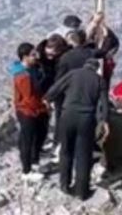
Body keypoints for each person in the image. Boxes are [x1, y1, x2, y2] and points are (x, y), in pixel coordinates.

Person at [45, 57, 109, 200]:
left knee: (66, 150)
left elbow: (55, 89)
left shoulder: (73, 74)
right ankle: (82, 191)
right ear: (96, 68)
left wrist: (47, 100)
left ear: (84, 65)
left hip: (67, 116)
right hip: (86, 118)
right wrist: (104, 121)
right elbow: (104, 103)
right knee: (83, 154)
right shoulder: (99, 80)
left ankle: (64, 185)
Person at [11, 43, 50, 181]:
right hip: (28, 111)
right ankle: (26, 171)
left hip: (37, 109)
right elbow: (28, 98)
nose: (36, 57)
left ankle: (35, 162)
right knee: (27, 140)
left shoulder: (34, 68)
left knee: (40, 135)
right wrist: (43, 105)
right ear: (25, 57)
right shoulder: (22, 76)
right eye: (33, 55)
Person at [86, 13, 121, 83]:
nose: (98, 24)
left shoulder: (107, 32)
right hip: (91, 60)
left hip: (104, 61)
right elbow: (86, 41)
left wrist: (109, 54)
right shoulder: (88, 30)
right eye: (96, 21)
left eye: (100, 21)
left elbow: (114, 45)